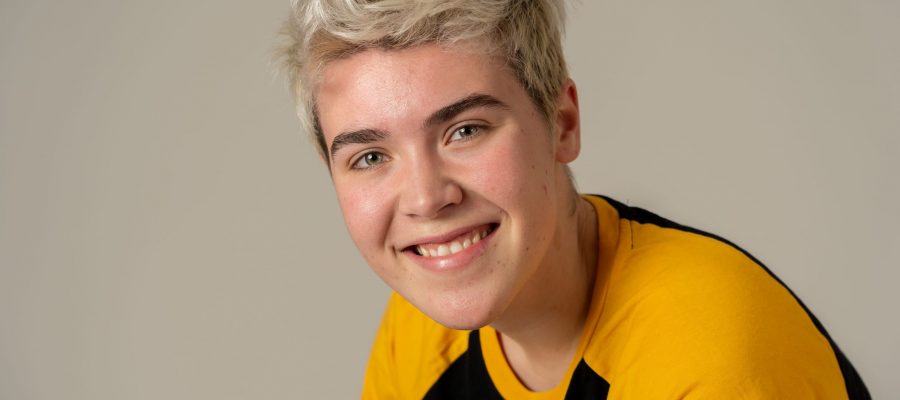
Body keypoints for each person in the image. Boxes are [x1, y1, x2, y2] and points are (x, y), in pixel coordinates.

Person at [278, 0, 869, 398]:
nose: (427, 199)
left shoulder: (708, 349)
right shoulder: (419, 335)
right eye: (371, 157)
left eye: (466, 130)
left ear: (561, 123)